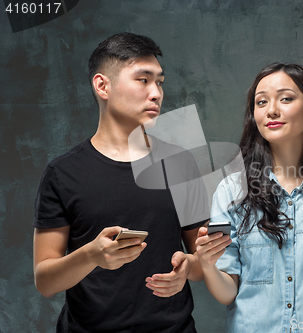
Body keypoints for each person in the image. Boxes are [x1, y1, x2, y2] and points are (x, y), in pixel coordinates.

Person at [33, 32, 208, 333]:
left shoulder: (181, 164)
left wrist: (188, 269)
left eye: (159, 82)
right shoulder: (62, 174)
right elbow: (45, 281)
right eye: (143, 80)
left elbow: (206, 260)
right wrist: (91, 255)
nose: (156, 93)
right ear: (103, 85)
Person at [195, 63, 303, 332]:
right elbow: (227, 293)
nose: (272, 110)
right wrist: (208, 266)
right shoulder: (232, 191)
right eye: (261, 102)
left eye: (286, 98)